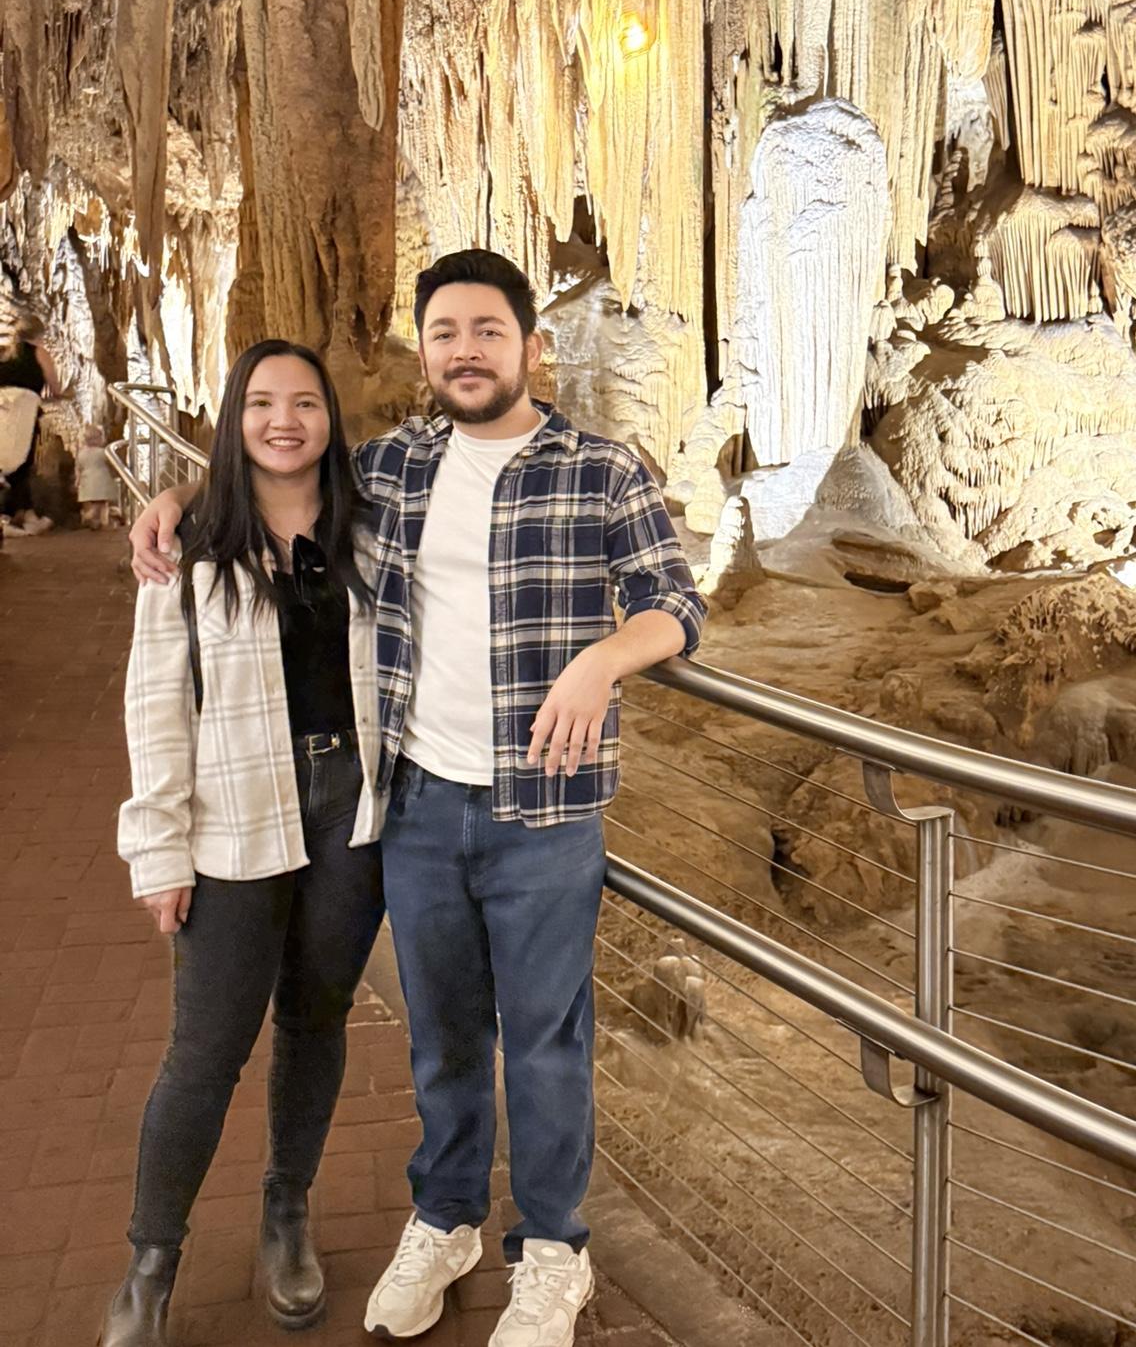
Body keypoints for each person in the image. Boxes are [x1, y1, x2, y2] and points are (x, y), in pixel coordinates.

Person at [130, 250, 707, 1347]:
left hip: (546, 808)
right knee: (441, 1038)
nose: (465, 351)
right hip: (419, 804)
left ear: (530, 345)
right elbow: (278, 463)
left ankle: (553, 1250)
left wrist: (603, 662)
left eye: (488, 331)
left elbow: (675, 603)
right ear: (427, 352)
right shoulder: (394, 466)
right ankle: (445, 1219)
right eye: (445, 333)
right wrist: (177, 499)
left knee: (543, 1043)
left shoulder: (600, 469)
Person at [106, 341, 387, 1347]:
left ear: (329, 419)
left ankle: (286, 1211)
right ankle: (151, 1262)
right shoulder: (189, 549)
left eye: (305, 402)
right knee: (206, 1050)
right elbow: (154, 709)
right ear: (234, 421)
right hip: (233, 818)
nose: (284, 421)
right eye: (262, 403)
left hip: (349, 811)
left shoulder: (371, 529)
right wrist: (158, 851)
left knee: (316, 1021)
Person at [0, 312, 62, 533]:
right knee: (21, 461)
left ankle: (15, 513)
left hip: (2, 410)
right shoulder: (39, 353)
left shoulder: (5, 354)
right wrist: (60, 395)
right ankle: (23, 514)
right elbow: (54, 386)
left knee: (4, 462)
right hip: (23, 412)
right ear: (39, 334)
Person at [76, 423, 118, 528]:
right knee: (100, 502)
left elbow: (78, 468)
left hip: (86, 481)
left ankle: (96, 522)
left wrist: (78, 480)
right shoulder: (103, 453)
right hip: (102, 481)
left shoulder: (81, 454)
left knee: (93, 502)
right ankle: (90, 515)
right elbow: (111, 464)